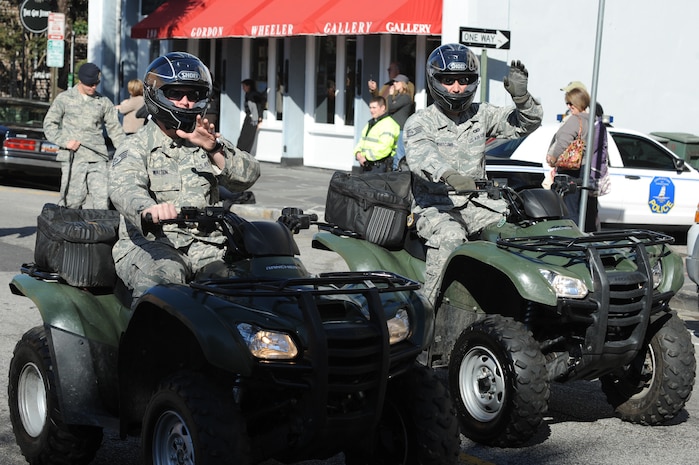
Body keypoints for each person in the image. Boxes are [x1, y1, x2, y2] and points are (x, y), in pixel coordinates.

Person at [109, 52, 260, 304]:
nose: (186, 102)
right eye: (176, 94)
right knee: (164, 286)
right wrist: (149, 210)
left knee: (241, 287)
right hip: (151, 246)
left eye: (193, 95)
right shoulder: (136, 147)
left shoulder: (205, 139)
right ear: (156, 94)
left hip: (206, 245)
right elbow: (124, 188)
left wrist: (214, 150)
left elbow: (248, 176)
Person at [404, 43, 543, 306]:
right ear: (434, 80)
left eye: (464, 80)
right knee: (450, 238)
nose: (456, 88)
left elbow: (525, 124)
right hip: (435, 207)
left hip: (478, 205)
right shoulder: (421, 121)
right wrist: (448, 175)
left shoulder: (481, 114)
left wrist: (522, 98)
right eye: (448, 80)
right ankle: (425, 314)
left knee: (516, 234)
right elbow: (420, 156)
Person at [43, 62, 126, 210]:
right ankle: (72, 232)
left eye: (96, 84)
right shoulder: (65, 99)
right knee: (73, 202)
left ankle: (101, 232)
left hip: (97, 157)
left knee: (102, 200)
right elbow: (49, 124)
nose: (93, 87)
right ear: (80, 81)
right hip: (74, 157)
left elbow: (115, 130)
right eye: (90, 84)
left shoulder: (103, 102)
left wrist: (126, 153)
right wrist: (65, 142)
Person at [546, 87, 591, 225]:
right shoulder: (592, 122)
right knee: (576, 208)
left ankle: (568, 241)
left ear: (579, 103)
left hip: (568, 171)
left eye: (571, 103)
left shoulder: (575, 120)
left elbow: (563, 142)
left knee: (565, 210)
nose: (568, 106)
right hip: (583, 169)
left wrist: (553, 157)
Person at [354, 96, 400, 173]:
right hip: (366, 165)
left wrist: (366, 157)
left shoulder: (388, 124)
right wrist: (358, 153)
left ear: (383, 108)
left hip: (379, 167)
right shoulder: (371, 123)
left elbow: (384, 147)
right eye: (370, 107)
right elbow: (362, 141)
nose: (371, 110)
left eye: (374, 108)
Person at [386, 74, 415, 171]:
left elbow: (390, 108)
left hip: (401, 129)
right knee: (395, 154)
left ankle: (399, 176)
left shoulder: (405, 97)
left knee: (400, 155)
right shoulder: (398, 96)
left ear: (403, 84)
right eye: (394, 81)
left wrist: (390, 95)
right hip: (395, 129)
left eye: (397, 82)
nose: (394, 83)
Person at [237, 78, 265, 154]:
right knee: (244, 135)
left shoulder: (253, 95)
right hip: (249, 117)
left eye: (244, 86)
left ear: (248, 86)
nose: (243, 88)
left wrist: (260, 118)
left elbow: (259, 105)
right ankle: (241, 151)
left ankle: (243, 152)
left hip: (253, 118)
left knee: (248, 137)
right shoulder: (248, 94)